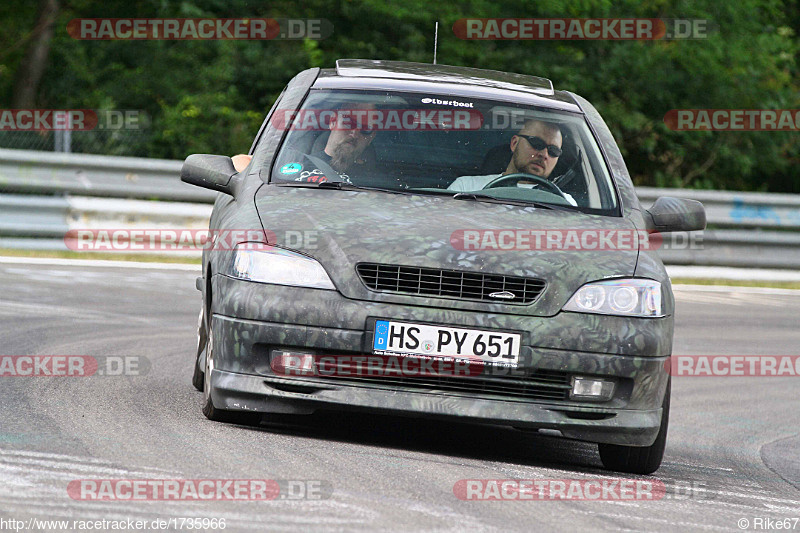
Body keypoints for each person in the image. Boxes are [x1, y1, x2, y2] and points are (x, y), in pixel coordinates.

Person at [231, 103, 378, 183]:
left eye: (365, 129)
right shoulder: (295, 161)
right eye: (349, 123)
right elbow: (240, 162)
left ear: (371, 137)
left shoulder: (380, 179)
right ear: (333, 121)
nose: (354, 133)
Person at [448, 119, 576, 205]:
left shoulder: (564, 202)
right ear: (514, 143)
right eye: (537, 143)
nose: (544, 154)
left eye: (553, 151)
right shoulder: (466, 188)